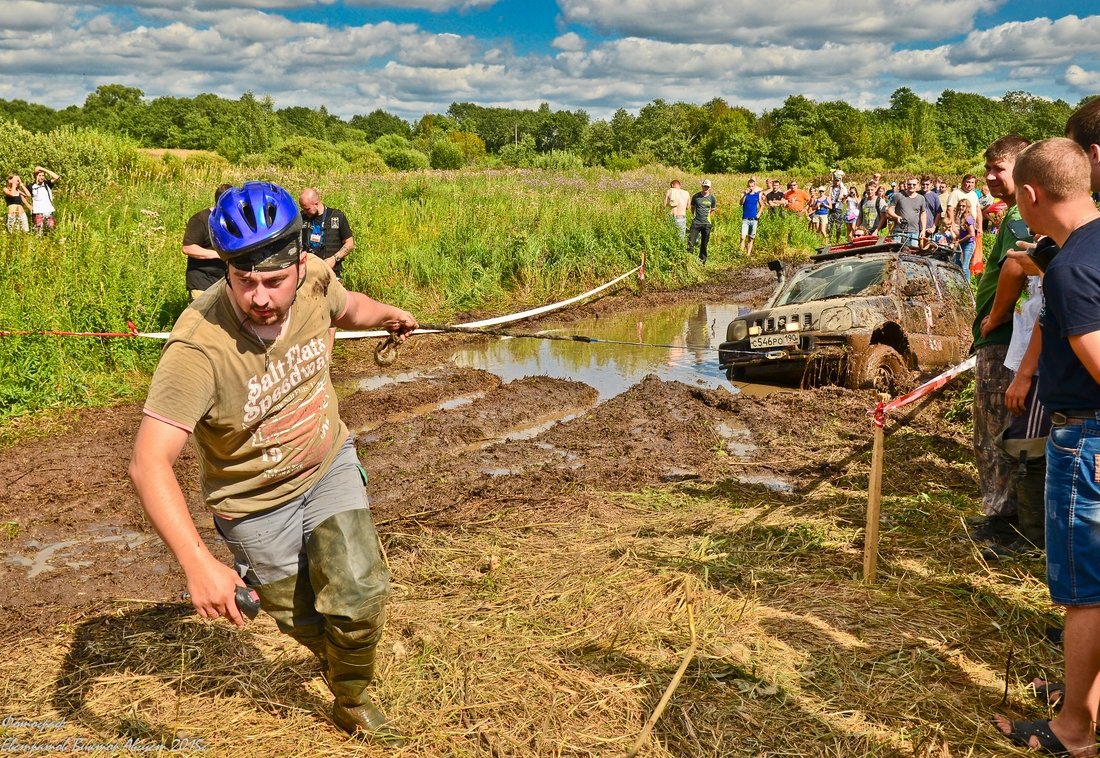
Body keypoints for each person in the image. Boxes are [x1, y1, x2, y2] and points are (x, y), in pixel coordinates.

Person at [129, 181, 418, 746]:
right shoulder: (196, 350)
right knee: (308, 623)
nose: (260, 297)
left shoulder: (315, 280)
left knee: (358, 595)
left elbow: (346, 306)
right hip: (254, 505)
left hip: (326, 464)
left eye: (273, 281)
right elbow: (148, 464)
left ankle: (352, 701)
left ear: (300, 260)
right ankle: (334, 653)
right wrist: (198, 564)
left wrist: (388, 315)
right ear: (228, 272)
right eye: (245, 282)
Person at [992, 137, 1100, 757]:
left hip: (1087, 437)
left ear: (1031, 194)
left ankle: (1073, 733)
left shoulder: (1070, 271)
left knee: (1086, 592)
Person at [967, 135, 1032, 547]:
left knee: (992, 429)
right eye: (987, 168)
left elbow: (1018, 264)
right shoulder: (1014, 214)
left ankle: (1000, 519)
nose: (990, 176)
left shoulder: (1017, 218)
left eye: (998, 168)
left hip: (1004, 340)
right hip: (1014, 339)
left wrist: (996, 315)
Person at [182, 184, 233, 301]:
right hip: (202, 282)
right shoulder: (200, 219)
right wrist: (219, 255)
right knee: (201, 319)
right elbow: (188, 248)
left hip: (224, 281)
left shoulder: (232, 220)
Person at [299, 188, 354, 279]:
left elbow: (350, 243)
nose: (305, 212)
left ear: (316, 204)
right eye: (303, 209)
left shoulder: (336, 217)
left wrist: (334, 258)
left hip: (331, 272)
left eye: (307, 209)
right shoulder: (302, 218)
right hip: (308, 272)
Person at [885, 177, 926, 246]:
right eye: (909, 184)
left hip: (914, 232)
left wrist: (923, 229)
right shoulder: (898, 196)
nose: (911, 186)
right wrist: (897, 217)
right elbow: (890, 210)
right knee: (895, 251)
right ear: (906, 185)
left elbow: (923, 213)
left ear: (918, 185)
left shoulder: (921, 198)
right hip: (899, 231)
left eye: (914, 184)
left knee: (912, 253)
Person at [689, 179, 716, 263]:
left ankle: (702, 261)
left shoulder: (712, 198)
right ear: (702, 186)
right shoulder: (696, 196)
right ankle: (689, 260)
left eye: (707, 187)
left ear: (710, 188)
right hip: (696, 223)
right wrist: (695, 216)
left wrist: (708, 218)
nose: (706, 188)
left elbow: (713, 209)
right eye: (704, 186)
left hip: (706, 224)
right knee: (690, 242)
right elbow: (692, 208)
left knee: (704, 244)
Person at [29, 165, 59, 234]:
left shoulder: (47, 184)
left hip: (49, 212)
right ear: (35, 176)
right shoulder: (31, 186)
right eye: (40, 175)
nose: (42, 177)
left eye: (43, 175)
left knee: (51, 233)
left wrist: (43, 169)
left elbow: (56, 177)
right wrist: (29, 206)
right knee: (39, 233)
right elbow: (24, 195)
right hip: (38, 213)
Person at [954, 198, 978, 280]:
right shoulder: (962, 217)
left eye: (963, 206)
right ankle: (960, 280)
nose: (961, 208)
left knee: (965, 266)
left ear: (967, 207)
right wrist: (957, 237)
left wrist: (959, 241)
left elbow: (972, 234)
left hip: (969, 244)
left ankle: (967, 285)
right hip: (962, 242)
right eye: (960, 206)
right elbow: (963, 231)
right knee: (957, 262)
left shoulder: (968, 218)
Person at [739, 177, 762, 256]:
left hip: (754, 219)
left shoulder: (757, 195)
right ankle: (741, 254)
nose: (751, 188)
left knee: (751, 238)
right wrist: (745, 194)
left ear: (755, 186)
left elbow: (762, 205)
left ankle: (748, 254)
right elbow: (741, 203)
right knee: (742, 237)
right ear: (747, 186)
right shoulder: (744, 194)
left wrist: (759, 214)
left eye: (752, 186)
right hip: (745, 219)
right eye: (749, 186)